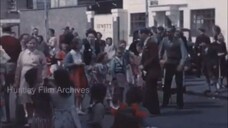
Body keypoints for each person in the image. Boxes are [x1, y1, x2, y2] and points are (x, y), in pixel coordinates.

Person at [14, 36, 47, 125]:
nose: (32, 45)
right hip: (24, 78)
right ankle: (29, 117)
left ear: (36, 44)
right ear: (26, 44)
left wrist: (43, 78)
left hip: (36, 77)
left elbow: (44, 66)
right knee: (26, 98)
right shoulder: (22, 54)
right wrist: (16, 82)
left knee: (35, 97)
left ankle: (37, 117)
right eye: (30, 43)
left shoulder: (40, 54)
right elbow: (18, 68)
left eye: (34, 43)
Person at [159, 27, 188, 109]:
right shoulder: (164, 40)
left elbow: (184, 54)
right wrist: (160, 60)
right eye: (167, 32)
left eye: (170, 32)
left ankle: (180, 103)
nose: (168, 34)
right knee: (167, 83)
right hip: (168, 63)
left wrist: (181, 64)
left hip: (177, 62)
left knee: (179, 84)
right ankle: (165, 102)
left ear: (173, 32)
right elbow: (160, 52)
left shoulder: (179, 41)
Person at [0, 26, 21, 122]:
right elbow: (19, 55)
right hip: (13, 67)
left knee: (4, 93)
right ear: (10, 31)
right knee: (16, 91)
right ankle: (17, 115)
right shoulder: (16, 41)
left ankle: (6, 117)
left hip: (1, 68)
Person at [139, 28, 161, 114]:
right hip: (149, 70)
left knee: (151, 90)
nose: (140, 36)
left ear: (145, 34)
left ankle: (153, 109)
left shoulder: (152, 43)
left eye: (140, 34)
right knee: (149, 89)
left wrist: (144, 65)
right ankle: (149, 108)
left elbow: (153, 57)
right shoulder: (147, 43)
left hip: (153, 70)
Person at [64, 38, 88, 114]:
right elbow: (66, 64)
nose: (81, 45)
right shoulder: (70, 54)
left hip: (81, 72)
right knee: (77, 89)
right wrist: (75, 64)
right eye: (79, 44)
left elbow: (82, 61)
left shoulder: (80, 53)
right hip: (74, 73)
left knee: (83, 88)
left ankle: (79, 106)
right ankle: (75, 107)